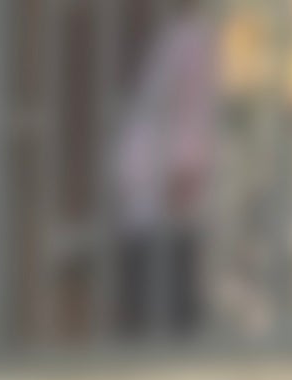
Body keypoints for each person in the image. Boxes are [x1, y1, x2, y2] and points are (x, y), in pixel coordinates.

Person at [114, 10, 217, 340]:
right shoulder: (173, 37)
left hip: (164, 182)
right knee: (151, 278)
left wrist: (186, 166)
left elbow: (192, 107)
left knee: (164, 283)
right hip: (149, 181)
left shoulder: (190, 40)